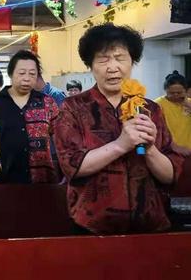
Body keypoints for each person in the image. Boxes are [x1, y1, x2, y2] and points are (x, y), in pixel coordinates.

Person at [53, 23, 183, 235]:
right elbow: (72, 167)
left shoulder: (150, 109)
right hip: (92, 226)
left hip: (149, 226)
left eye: (120, 58)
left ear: (132, 62)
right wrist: (121, 144)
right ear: (91, 65)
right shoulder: (72, 108)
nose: (112, 67)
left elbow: (170, 175)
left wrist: (150, 149)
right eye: (103, 59)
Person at [0, 50, 59, 184]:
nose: (27, 78)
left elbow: (62, 139)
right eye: (21, 73)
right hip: (3, 181)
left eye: (32, 74)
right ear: (11, 73)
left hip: (41, 181)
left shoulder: (47, 103)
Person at [155, 71, 191, 157]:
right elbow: (157, 131)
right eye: (171, 93)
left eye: (179, 93)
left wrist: (187, 104)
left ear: (186, 91)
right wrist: (174, 147)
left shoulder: (189, 104)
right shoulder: (157, 105)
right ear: (166, 90)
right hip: (168, 152)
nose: (175, 95)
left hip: (189, 151)